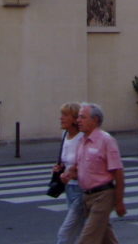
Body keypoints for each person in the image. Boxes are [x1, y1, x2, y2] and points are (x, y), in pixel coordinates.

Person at [65, 102, 126, 244]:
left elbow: (118, 172)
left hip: (103, 196)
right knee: (106, 238)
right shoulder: (82, 141)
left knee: (87, 238)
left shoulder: (106, 140)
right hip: (87, 196)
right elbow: (81, 167)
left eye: (82, 117)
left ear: (95, 120)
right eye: (78, 117)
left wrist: (119, 202)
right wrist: (69, 173)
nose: (78, 121)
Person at [54, 102, 84, 244]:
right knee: (81, 230)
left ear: (74, 119)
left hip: (82, 189)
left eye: (65, 115)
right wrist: (60, 168)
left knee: (66, 232)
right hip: (69, 188)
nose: (61, 118)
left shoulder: (82, 138)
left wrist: (73, 172)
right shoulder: (65, 134)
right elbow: (66, 160)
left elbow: (87, 162)